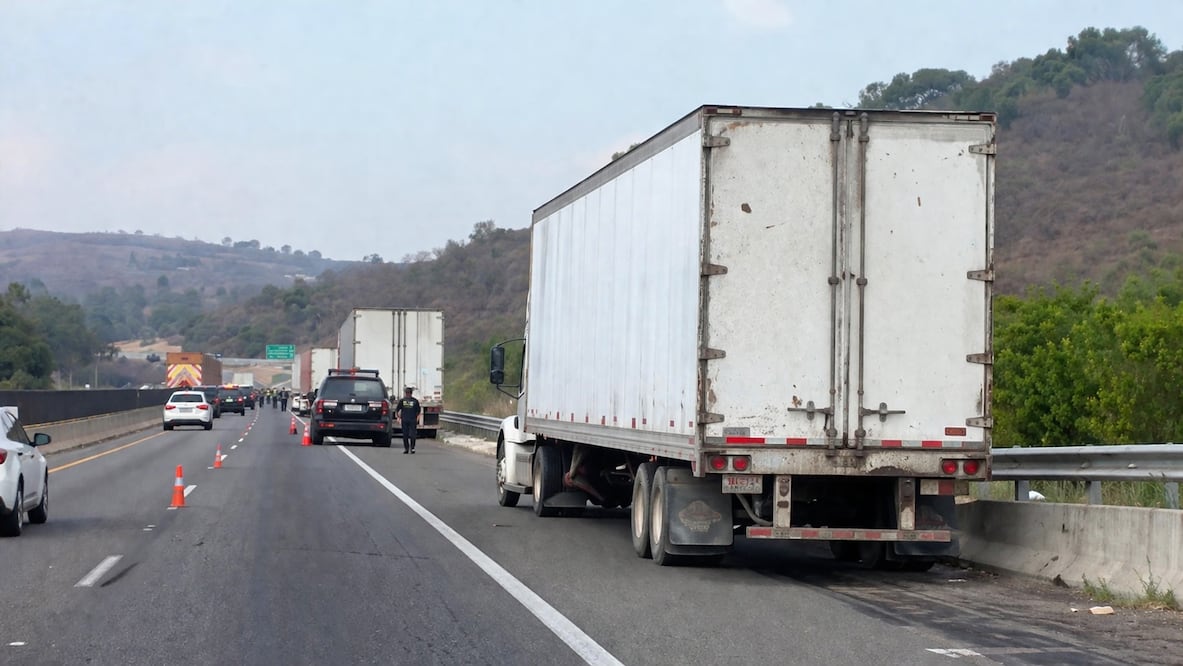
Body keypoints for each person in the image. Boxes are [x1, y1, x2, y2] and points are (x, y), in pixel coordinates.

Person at [397, 386, 421, 454]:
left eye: (408, 393)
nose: (407, 394)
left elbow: (418, 410)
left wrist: (417, 418)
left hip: (412, 420)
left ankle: (412, 448)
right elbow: (398, 409)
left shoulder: (415, 401)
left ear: (411, 393)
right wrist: (398, 417)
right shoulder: (402, 400)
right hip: (404, 420)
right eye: (406, 393)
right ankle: (406, 448)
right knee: (405, 435)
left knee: (413, 435)